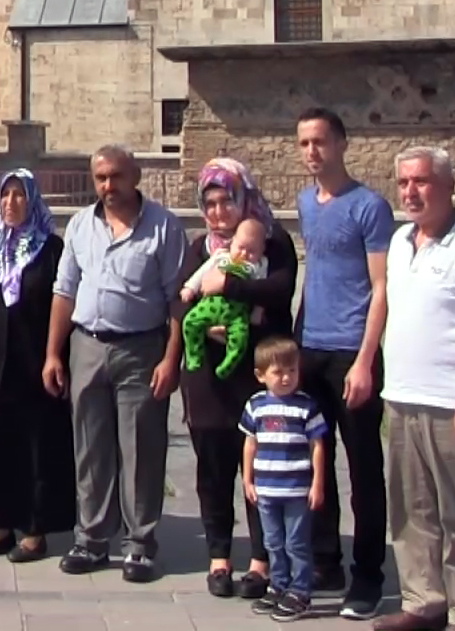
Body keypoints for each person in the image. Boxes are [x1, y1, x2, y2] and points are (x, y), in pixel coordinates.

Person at [374, 147, 455, 631]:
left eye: (422, 181)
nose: (411, 191)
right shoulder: (399, 240)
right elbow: (388, 306)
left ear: (449, 186)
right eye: (404, 182)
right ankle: (423, 600)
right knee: (412, 511)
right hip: (404, 397)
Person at [45, 145, 185, 584]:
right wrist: (53, 352)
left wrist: (171, 357)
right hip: (87, 344)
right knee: (89, 446)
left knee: (141, 447)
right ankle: (91, 538)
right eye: (101, 177)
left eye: (117, 176)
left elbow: (177, 299)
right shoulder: (81, 226)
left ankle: (140, 545)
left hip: (141, 348)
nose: (109, 186)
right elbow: (64, 290)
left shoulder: (163, 227)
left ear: (136, 175)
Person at [175, 158, 299, 602]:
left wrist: (226, 286)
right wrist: (203, 325)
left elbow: (279, 291)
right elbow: (180, 299)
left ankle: (261, 560)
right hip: (206, 378)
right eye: (209, 203)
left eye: (227, 200)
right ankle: (219, 557)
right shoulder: (198, 248)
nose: (218, 211)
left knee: (259, 470)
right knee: (213, 468)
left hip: (256, 375)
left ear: (243, 197)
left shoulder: (272, 241)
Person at [294, 107, 395, 619]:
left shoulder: (369, 207)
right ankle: (325, 559)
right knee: (317, 461)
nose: (312, 152)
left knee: (364, 467)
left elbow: (381, 288)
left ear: (341, 144)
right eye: (305, 143)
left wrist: (365, 360)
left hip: (351, 353)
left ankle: (369, 575)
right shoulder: (306, 203)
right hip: (310, 346)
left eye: (320, 142)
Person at [0, 169, 75, 563]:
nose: (11, 203)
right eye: (5, 196)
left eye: (19, 195)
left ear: (33, 200)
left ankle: (35, 529)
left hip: (34, 366)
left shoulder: (51, 249)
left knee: (36, 447)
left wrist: (59, 359)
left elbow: (64, 303)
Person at [240, 336, 329, 623]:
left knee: (296, 543)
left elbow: (317, 446)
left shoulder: (306, 406)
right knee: (273, 541)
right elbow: (250, 444)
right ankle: (278, 585)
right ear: (260, 375)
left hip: (297, 490)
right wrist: (248, 481)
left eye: (292, 370)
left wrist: (317, 484)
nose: (286, 377)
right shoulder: (256, 406)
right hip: (266, 490)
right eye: (278, 372)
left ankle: (300, 591)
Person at [180, 218, 269, 379]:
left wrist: (257, 312)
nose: (244, 254)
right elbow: (202, 272)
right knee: (190, 322)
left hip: (237, 312)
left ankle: (228, 364)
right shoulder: (222, 256)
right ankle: (194, 355)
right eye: (241, 247)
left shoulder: (260, 266)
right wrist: (190, 287)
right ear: (232, 242)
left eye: (252, 251)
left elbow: (262, 292)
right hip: (210, 305)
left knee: (240, 337)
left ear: (262, 250)